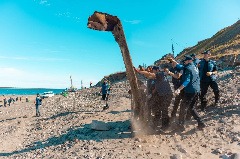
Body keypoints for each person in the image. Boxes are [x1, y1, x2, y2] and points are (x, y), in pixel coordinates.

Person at [172, 56, 206, 130]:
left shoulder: (187, 68)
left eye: (185, 61)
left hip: (190, 91)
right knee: (191, 107)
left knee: (183, 107)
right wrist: (173, 61)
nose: (184, 62)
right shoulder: (194, 66)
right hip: (197, 90)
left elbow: (187, 80)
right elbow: (181, 66)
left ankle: (180, 125)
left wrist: (179, 89)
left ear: (189, 61)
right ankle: (201, 122)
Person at [136, 66, 173, 131]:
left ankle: (165, 126)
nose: (152, 71)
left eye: (153, 70)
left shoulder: (160, 74)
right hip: (161, 95)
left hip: (166, 95)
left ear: (157, 70)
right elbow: (149, 77)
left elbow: (150, 75)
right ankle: (155, 126)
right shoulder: (156, 77)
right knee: (158, 111)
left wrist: (139, 71)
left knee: (164, 110)